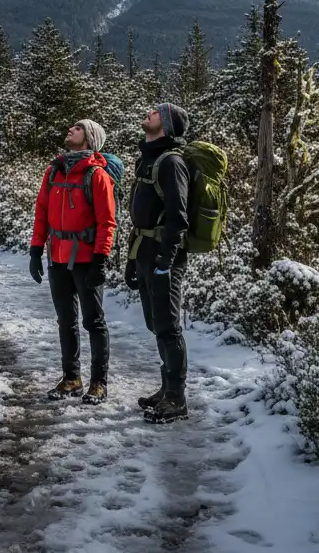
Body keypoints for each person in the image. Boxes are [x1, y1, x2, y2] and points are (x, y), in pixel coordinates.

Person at [28, 118, 116, 405]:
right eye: (71, 127)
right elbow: (42, 211)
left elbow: (107, 222)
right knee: (66, 321)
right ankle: (71, 379)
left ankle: (98, 383)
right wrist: (35, 250)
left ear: (89, 139)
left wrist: (100, 259)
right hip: (56, 257)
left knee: (93, 321)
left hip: (87, 259)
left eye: (77, 129)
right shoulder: (53, 171)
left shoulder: (97, 176)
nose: (70, 130)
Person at [125, 102, 191, 424]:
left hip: (164, 256)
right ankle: (166, 389)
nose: (148, 112)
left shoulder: (171, 162)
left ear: (165, 125)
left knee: (168, 326)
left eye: (156, 113)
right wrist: (132, 259)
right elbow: (140, 215)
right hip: (145, 253)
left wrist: (166, 257)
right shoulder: (148, 159)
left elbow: (179, 217)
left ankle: (177, 399)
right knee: (155, 324)